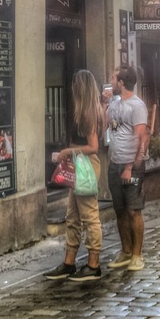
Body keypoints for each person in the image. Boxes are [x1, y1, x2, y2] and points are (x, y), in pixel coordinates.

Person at [46, 70, 105, 282]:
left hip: (86, 167)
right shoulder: (86, 111)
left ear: (79, 88)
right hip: (79, 165)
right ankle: (69, 262)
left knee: (90, 217)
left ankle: (93, 264)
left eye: (74, 87)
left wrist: (68, 152)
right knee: (72, 216)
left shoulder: (89, 113)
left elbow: (94, 147)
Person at [106, 65, 149, 271]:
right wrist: (104, 102)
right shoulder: (114, 105)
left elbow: (141, 139)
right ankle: (125, 250)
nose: (111, 82)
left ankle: (137, 255)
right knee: (120, 210)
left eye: (113, 79)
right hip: (115, 165)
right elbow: (110, 127)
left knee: (133, 210)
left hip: (131, 169)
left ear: (121, 83)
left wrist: (130, 167)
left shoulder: (137, 106)